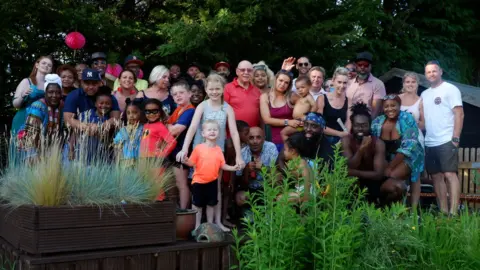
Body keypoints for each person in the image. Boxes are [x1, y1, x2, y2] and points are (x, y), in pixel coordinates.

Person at [176, 73, 245, 231]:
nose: (214, 92)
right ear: (206, 89)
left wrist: (239, 155)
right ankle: (198, 223)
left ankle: (216, 222)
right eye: (211, 89)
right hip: (200, 149)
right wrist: (185, 148)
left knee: (217, 185)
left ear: (223, 89)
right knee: (199, 182)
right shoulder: (202, 106)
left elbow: (233, 132)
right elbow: (193, 127)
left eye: (218, 89)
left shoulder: (227, 108)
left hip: (217, 150)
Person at [421, 60, 464, 215]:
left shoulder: (450, 89)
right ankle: (443, 212)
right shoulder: (424, 94)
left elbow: (459, 113)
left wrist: (456, 137)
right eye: (428, 72)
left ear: (441, 71)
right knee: (436, 177)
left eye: (434, 71)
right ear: (425, 75)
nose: (431, 74)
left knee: (450, 174)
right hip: (430, 141)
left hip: (446, 139)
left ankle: (454, 213)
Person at [182, 120, 240, 231]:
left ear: (219, 133)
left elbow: (222, 165)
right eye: (209, 129)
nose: (212, 132)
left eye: (215, 129)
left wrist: (233, 168)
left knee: (211, 204)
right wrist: (185, 160)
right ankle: (197, 226)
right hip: (198, 181)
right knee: (197, 205)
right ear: (203, 134)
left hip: (212, 181)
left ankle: (210, 226)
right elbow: (191, 163)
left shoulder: (218, 150)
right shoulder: (198, 148)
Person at [371, 94, 424, 207]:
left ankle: (402, 211)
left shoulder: (407, 118)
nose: (390, 109)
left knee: (392, 179)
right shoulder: (377, 122)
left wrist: (390, 167)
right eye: (386, 106)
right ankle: (385, 208)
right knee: (381, 181)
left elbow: (408, 147)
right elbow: (373, 143)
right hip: (387, 157)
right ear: (382, 108)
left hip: (409, 156)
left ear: (399, 106)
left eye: (393, 105)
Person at [342, 102, 387, 205]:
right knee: (350, 181)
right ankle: (352, 212)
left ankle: (384, 210)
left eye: (364, 125)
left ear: (370, 125)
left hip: (374, 183)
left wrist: (354, 172)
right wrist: (361, 149)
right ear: (352, 125)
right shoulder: (346, 140)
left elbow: (379, 174)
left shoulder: (378, 143)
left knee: (396, 187)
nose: (360, 129)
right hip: (355, 182)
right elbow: (351, 165)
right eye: (357, 125)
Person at [17, 74, 64, 161]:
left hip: (51, 147)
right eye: (50, 92)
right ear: (45, 92)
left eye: (57, 92)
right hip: (32, 147)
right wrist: (34, 154)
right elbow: (31, 133)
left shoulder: (62, 105)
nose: (54, 95)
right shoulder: (38, 106)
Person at [166, 82, 195, 209]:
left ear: (189, 94)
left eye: (181, 93)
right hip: (175, 151)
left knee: (182, 184)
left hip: (183, 151)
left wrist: (166, 126)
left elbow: (174, 130)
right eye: (175, 94)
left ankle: (184, 212)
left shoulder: (190, 111)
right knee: (177, 183)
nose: (178, 96)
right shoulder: (178, 110)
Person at [236, 127, 278, 208]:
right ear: (247, 140)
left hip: (268, 187)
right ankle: (249, 214)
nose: (255, 141)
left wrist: (263, 168)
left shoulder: (271, 147)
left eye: (258, 137)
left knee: (277, 183)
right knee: (240, 197)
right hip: (250, 189)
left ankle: (270, 213)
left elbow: (277, 173)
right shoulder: (242, 152)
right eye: (251, 138)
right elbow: (239, 183)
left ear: (264, 138)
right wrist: (246, 170)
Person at [12, 56, 53, 135]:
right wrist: (22, 96)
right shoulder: (26, 81)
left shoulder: (51, 85)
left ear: (51, 70)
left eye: (49, 65)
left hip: (43, 120)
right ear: (37, 65)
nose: (46, 66)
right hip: (23, 118)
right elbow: (15, 104)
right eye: (44, 63)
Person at [260, 70, 299, 152]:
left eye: (286, 82)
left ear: (289, 85)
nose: (282, 84)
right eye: (280, 80)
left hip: (291, 140)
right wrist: (288, 122)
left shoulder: (292, 96)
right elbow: (267, 120)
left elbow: (305, 112)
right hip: (272, 141)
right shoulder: (265, 96)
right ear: (275, 80)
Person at [346, 52, 386, 129]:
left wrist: (367, 128)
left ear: (371, 66)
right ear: (356, 66)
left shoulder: (378, 84)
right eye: (360, 64)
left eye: (366, 65)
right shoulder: (348, 83)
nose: (362, 67)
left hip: (366, 126)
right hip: (348, 124)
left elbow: (375, 111)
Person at [77, 92, 113, 163]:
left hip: (102, 154)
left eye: (107, 103)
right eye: (101, 103)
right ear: (95, 104)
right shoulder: (86, 115)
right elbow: (76, 132)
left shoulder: (109, 118)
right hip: (85, 152)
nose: (104, 106)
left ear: (111, 105)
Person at [224, 60, 262, 128]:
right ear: (237, 71)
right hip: (234, 132)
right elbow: (223, 112)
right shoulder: (227, 88)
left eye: (249, 70)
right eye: (242, 70)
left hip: (253, 134)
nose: (246, 72)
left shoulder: (257, 90)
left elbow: (260, 114)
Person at [317, 67, 349, 144]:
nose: (342, 86)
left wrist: (344, 135)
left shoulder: (348, 100)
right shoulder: (322, 98)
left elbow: (349, 121)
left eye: (345, 83)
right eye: (339, 82)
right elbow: (319, 124)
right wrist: (340, 134)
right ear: (333, 81)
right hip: (324, 139)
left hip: (343, 141)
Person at [278, 132, 314, 203]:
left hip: (306, 193)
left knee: (280, 199)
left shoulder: (301, 162)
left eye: (285, 149)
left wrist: (305, 198)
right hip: (299, 191)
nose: (283, 152)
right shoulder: (292, 163)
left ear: (292, 151)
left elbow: (307, 180)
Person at [280, 76, 317, 142]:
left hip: (301, 123)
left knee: (283, 132)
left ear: (309, 86)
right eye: (297, 88)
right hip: (297, 122)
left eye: (302, 87)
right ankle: (292, 147)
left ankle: (289, 147)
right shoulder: (301, 97)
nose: (300, 90)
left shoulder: (308, 97)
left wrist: (308, 117)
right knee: (297, 137)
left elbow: (315, 106)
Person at [114, 100, 144, 167]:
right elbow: (117, 148)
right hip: (126, 162)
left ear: (141, 113)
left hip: (141, 161)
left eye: (134, 112)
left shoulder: (144, 129)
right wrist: (118, 162)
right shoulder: (123, 130)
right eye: (128, 113)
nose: (131, 116)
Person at [399, 72, 425, 148]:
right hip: (398, 137)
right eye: (407, 82)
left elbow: (423, 126)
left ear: (417, 84)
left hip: (416, 138)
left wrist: (414, 120)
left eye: (413, 82)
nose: (410, 84)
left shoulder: (421, 101)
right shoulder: (397, 99)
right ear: (403, 84)